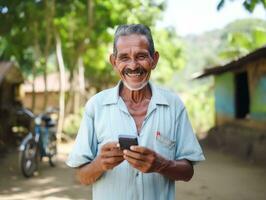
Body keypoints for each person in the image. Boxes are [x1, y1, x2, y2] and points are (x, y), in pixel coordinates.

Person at [66, 24, 205, 200]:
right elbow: (81, 177)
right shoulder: (96, 106)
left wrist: (161, 164)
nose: (133, 65)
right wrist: (100, 164)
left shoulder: (174, 105)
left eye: (141, 56)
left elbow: (187, 172)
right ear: (114, 62)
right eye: (124, 57)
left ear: (154, 59)